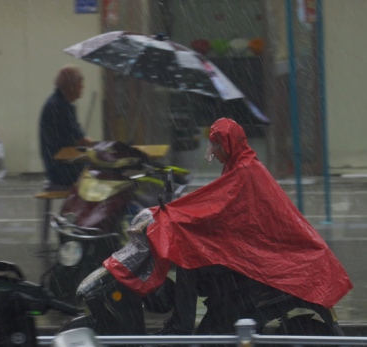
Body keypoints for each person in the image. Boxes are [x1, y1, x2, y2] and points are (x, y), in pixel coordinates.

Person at [148, 118, 352, 335]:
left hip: (257, 254)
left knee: (187, 264)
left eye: (216, 146)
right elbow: (218, 207)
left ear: (228, 144)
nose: (213, 152)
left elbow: (214, 207)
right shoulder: (239, 167)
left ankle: (180, 331)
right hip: (249, 248)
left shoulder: (244, 171)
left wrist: (173, 213)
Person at [39, 65, 94, 190]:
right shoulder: (59, 107)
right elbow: (78, 139)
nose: (83, 88)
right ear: (71, 87)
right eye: (80, 84)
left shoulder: (61, 104)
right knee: (103, 176)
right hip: (62, 171)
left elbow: (77, 137)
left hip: (60, 167)